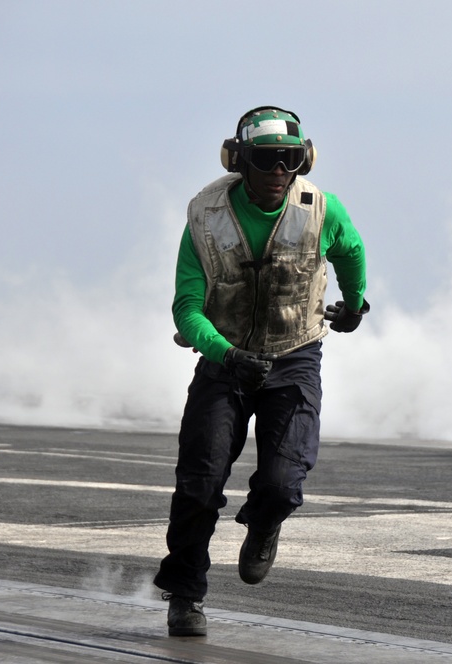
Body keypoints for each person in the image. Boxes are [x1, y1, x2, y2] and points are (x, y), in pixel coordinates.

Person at [153, 106, 369, 637]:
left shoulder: (322, 210)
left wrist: (354, 306)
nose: (277, 172)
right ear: (239, 161)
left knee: (282, 482)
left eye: (289, 160)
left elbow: (352, 250)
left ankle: (265, 521)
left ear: (303, 162)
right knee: (199, 484)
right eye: (265, 159)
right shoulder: (204, 220)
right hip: (224, 362)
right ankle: (185, 596)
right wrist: (225, 353)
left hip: (295, 354)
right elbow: (187, 308)